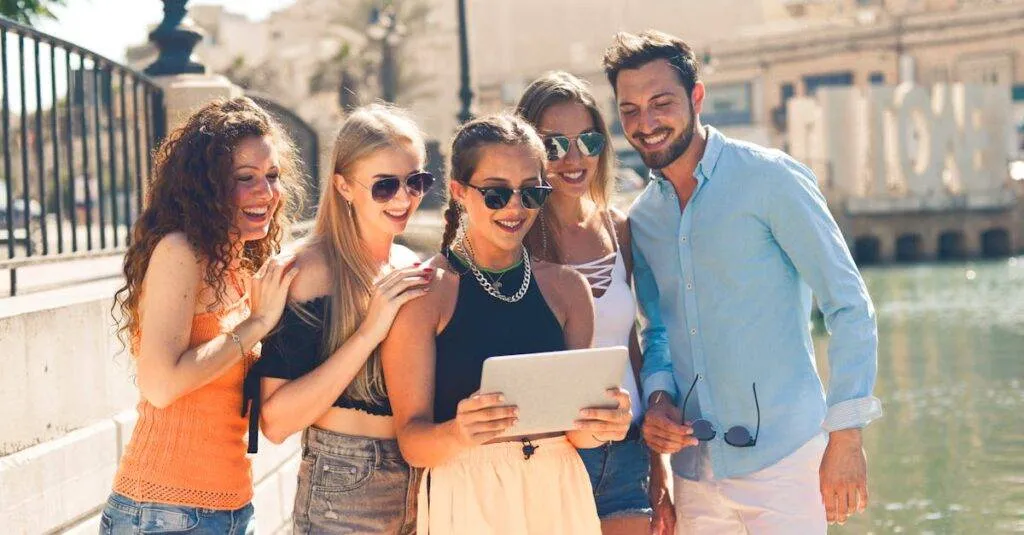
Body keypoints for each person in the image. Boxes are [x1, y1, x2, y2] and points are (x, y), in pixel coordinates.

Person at [602, 30, 883, 534]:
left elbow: (848, 304)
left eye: (660, 103)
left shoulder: (770, 179)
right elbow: (658, 331)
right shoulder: (642, 220)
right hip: (695, 475)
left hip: (786, 463)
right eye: (629, 110)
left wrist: (846, 434)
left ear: (697, 97)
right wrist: (661, 397)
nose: (645, 124)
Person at [380, 113, 633, 535]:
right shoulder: (425, 295)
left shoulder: (568, 290)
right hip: (468, 493)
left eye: (531, 192)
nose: (515, 207)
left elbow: (577, 435)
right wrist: (461, 432)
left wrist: (604, 424)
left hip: (559, 490)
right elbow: (412, 442)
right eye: (497, 193)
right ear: (460, 192)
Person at [104, 97, 301, 534]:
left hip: (232, 508)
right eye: (244, 179)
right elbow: (161, 385)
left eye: (271, 177)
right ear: (206, 186)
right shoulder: (180, 251)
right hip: (163, 511)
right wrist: (255, 326)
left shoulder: (241, 265)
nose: (265, 193)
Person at [243, 104, 434, 534]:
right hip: (345, 486)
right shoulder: (309, 271)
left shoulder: (411, 264)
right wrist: (369, 333)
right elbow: (275, 422)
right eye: (384, 186)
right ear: (344, 187)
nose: (404, 198)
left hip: (421, 481)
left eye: (416, 181)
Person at [515, 71, 673, 535]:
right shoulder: (516, 238)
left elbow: (631, 345)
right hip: (550, 454)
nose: (574, 158)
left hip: (627, 447)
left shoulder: (618, 229)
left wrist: (657, 463)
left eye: (587, 140)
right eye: (554, 145)